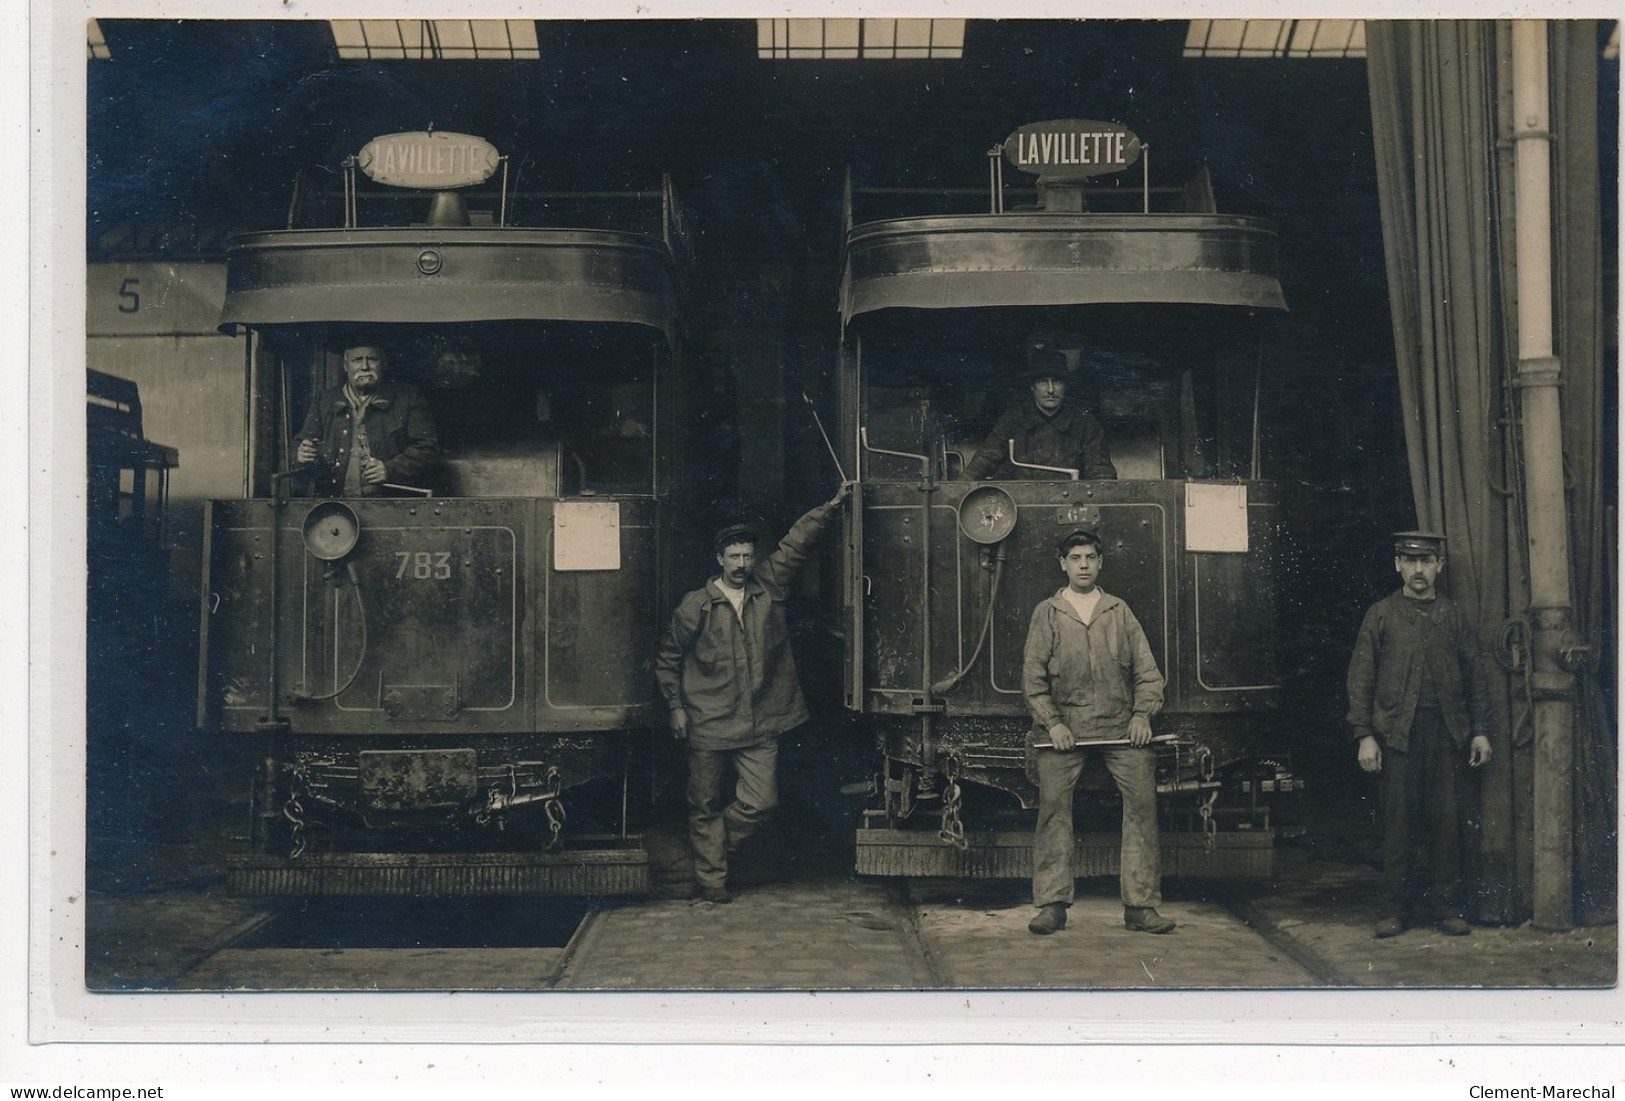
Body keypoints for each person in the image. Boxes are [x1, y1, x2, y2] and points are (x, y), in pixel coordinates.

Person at [655, 481, 853, 904]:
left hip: (761, 718)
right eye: (734, 557)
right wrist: (675, 707)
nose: (742, 564)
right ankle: (712, 882)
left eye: (748, 556)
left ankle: (710, 854)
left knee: (761, 802)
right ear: (719, 560)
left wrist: (832, 506)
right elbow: (668, 658)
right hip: (707, 720)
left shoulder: (769, 587)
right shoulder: (696, 606)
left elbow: (796, 544)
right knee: (704, 803)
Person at [1022, 527, 1172, 936]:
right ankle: (1052, 905)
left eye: (1090, 557)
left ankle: (1140, 907)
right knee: (1053, 809)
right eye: (1075, 559)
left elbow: (1149, 675)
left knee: (1142, 806)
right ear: (1063, 564)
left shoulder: (1119, 611)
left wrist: (1142, 717)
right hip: (1064, 732)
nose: (1083, 565)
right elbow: (1032, 682)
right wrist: (1053, 724)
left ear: (1100, 562)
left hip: (1121, 730)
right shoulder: (1048, 614)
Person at [1346, 531, 1496, 939]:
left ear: (1438, 567)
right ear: (1397, 565)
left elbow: (1476, 678)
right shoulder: (1380, 615)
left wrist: (1480, 732)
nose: (1417, 570)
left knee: (1446, 824)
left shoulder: (1454, 615)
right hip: (1396, 738)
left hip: (1447, 737)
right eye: (1409, 561)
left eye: (1426, 562)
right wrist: (1365, 735)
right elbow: (1361, 679)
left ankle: (1447, 908)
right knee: (1398, 826)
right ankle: (1394, 909)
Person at [294, 339, 440, 496]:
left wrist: (390, 470)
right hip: (335, 505)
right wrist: (301, 453)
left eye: (372, 359)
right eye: (357, 360)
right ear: (345, 365)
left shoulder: (409, 397)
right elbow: (302, 442)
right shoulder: (323, 401)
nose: (365, 367)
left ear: (384, 364)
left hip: (390, 504)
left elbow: (428, 447)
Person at [963, 348, 1117, 480]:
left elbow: (1101, 472)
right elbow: (984, 461)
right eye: (1043, 381)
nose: (1050, 390)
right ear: (1032, 386)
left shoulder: (1085, 424)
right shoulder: (1013, 420)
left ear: (1066, 386)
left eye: (1057, 381)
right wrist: (958, 489)